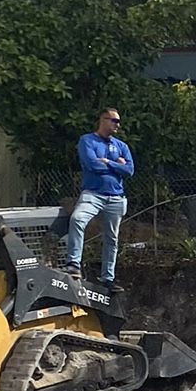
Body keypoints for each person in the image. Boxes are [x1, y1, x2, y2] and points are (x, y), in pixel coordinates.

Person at [65, 108, 134, 284]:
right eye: (114, 121)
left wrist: (108, 162)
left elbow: (129, 170)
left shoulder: (121, 146)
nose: (117, 125)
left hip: (116, 198)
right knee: (77, 219)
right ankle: (73, 264)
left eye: (118, 121)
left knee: (112, 238)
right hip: (92, 195)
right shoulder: (87, 140)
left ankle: (107, 278)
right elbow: (92, 165)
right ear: (103, 120)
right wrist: (118, 165)